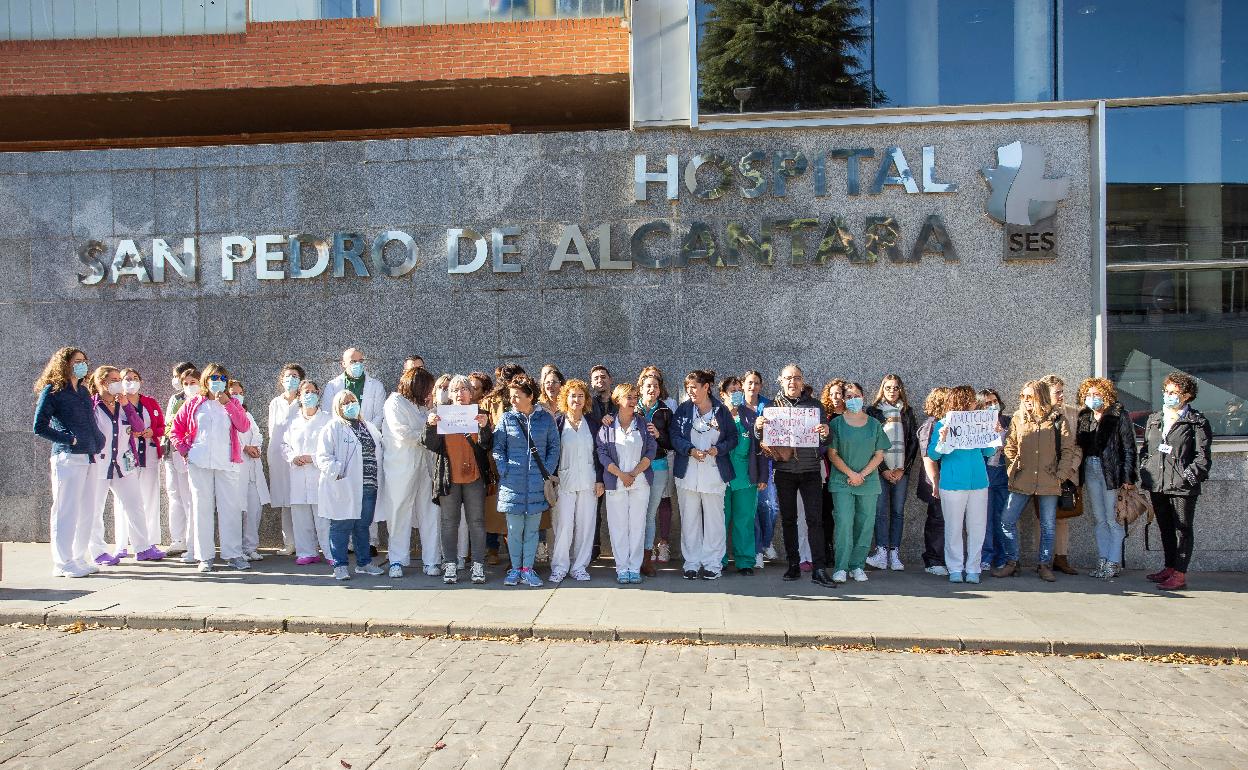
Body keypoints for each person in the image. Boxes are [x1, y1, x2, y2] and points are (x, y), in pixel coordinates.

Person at [755, 365, 834, 587]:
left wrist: (826, 433)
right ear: (780, 380)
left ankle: (819, 569)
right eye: (788, 378)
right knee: (788, 520)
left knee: (815, 520)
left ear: (802, 381)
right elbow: (761, 439)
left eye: (797, 378)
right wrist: (758, 427)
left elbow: (826, 440)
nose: (793, 382)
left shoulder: (815, 406)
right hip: (784, 472)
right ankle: (793, 565)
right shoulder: (771, 407)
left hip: (810, 471)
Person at [171, 363, 253, 573]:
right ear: (205, 381)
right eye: (214, 378)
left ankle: (233, 554)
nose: (218, 382)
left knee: (230, 508)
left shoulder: (232, 402)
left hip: (227, 462)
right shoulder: (194, 403)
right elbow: (175, 429)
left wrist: (228, 403)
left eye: (222, 379)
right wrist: (185, 450)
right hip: (200, 462)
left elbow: (244, 426)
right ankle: (204, 556)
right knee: (201, 508)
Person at [995, 380, 1078, 582]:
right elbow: (1010, 445)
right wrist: (1012, 467)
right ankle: (1012, 562)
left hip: (1049, 479)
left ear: (1040, 396)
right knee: (1007, 520)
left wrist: (1061, 474)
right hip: (1022, 478)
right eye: (1022, 396)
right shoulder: (1018, 417)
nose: (1025, 400)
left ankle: (1044, 565)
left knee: (1048, 525)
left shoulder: (1058, 419)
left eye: (1029, 396)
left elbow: (1068, 449)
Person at [34, 347, 105, 577]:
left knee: (87, 510)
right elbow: (39, 427)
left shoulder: (83, 391)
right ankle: (62, 562)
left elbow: (90, 422)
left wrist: (99, 440)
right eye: (77, 361)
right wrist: (70, 439)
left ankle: (77, 558)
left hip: (89, 455)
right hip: (67, 457)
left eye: (84, 361)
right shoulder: (53, 391)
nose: (81, 365)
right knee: (66, 511)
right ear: (64, 364)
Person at [1139, 372, 1213, 591]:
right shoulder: (1155, 418)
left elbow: (1203, 457)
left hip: (1181, 486)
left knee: (1183, 529)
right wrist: (1145, 468)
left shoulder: (1196, 422)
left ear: (1187, 395)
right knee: (1165, 527)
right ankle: (1170, 566)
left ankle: (1180, 574)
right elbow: (1147, 449)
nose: (1168, 396)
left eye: (1174, 393)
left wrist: (1188, 477)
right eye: (1166, 391)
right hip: (1157, 482)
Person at [426, 375, 494, 585]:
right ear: (450, 394)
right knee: (449, 523)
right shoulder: (439, 414)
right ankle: (450, 564)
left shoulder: (480, 414)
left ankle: (478, 565)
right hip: (449, 477)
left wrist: (484, 428)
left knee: (477, 522)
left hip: (474, 477)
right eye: (455, 390)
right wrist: (430, 426)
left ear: (471, 393)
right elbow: (431, 445)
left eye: (464, 389)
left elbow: (487, 446)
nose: (460, 393)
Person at [671, 369, 738, 581]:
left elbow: (733, 438)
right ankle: (691, 563)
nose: (690, 391)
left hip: (714, 473)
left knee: (714, 520)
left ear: (706, 387)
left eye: (694, 387)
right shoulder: (683, 409)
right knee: (689, 519)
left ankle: (712, 564)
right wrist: (689, 449)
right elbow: (674, 435)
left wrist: (719, 449)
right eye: (688, 388)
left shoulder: (721, 411)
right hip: (687, 473)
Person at [493, 374, 559, 587]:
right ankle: (514, 569)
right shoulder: (506, 419)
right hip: (512, 483)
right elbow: (498, 448)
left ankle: (528, 569)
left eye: (517, 395)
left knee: (532, 529)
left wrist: (545, 471)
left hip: (537, 483)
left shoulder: (546, 419)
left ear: (530, 396)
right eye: (511, 396)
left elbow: (554, 447)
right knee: (514, 530)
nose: (512, 400)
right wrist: (504, 470)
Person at [927, 385, 996, 584]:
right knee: (953, 528)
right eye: (972, 400)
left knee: (977, 527)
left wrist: (993, 435)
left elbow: (989, 453)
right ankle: (955, 567)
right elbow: (933, 454)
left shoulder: (979, 423)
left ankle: (973, 568)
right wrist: (943, 439)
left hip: (978, 482)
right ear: (962, 401)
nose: (975, 403)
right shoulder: (942, 424)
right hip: (952, 483)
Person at [315, 391, 386, 580]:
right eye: (345, 403)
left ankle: (364, 563)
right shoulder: (333, 427)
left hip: (369, 485)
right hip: (345, 485)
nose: (350, 405)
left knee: (363, 526)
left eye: (353, 401)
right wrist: (338, 472)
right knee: (341, 525)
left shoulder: (369, 426)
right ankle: (340, 564)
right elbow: (322, 457)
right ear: (338, 407)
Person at [826, 382, 891, 584]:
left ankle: (857, 566)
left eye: (857, 395)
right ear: (844, 399)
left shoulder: (874, 424)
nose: (853, 399)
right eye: (849, 396)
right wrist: (851, 474)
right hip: (842, 481)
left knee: (864, 525)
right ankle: (841, 567)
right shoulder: (836, 424)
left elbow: (879, 454)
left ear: (863, 397)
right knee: (844, 523)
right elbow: (832, 454)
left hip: (868, 481)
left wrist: (862, 474)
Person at [1075, 377, 1138, 580]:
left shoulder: (1119, 416)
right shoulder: (1085, 417)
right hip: (1091, 468)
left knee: (1113, 519)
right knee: (1099, 519)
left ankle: (1113, 562)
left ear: (1107, 396)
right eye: (1089, 395)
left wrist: (1128, 477)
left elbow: (1129, 448)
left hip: (1111, 472)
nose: (1092, 398)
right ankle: (1102, 560)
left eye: (1097, 395)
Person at [379, 366, 439, 578]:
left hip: (425, 466)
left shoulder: (422, 407)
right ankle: (397, 560)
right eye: (427, 388)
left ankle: (431, 561)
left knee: (430, 511)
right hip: (401, 467)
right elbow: (402, 432)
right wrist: (427, 429)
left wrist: (431, 416)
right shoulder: (394, 402)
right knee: (399, 512)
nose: (429, 393)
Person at [597, 383, 657, 584]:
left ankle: (634, 567)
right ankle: (622, 568)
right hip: (616, 482)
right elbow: (603, 454)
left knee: (637, 526)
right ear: (618, 400)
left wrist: (634, 473)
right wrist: (622, 475)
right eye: (628, 397)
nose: (632, 401)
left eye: (634, 397)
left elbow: (651, 450)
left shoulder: (643, 423)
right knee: (618, 527)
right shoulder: (607, 425)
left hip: (640, 482)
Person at [550, 379, 604, 583]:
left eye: (581, 395)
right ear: (565, 398)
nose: (577, 399)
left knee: (586, 525)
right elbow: (552, 452)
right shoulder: (558, 422)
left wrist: (600, 479)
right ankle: (560, 567)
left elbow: (600, 452)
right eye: (573, 395)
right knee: (563, 525)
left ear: (586, 399)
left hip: (589, 481)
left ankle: (580, 566)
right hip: (564, 481)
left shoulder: (592, 423)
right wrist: (553, 478)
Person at [865, 375, 918, 572]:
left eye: (896, 388)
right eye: (888, 387)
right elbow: (870, 443)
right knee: (880, 511)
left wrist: (902, 468)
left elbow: (913, 442)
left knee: (897, 512)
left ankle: (894, 552)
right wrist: (883, 469)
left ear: (901, 390)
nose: (892, 391)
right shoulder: (873, 412)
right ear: (882, 389)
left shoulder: (907, 411)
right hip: (880, 470)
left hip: (901, 470)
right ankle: (881, 551)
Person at [114, 368, 165, 558]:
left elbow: (162, 426)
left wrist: (152, 432)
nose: (132, 382)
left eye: (135, 378)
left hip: (149, 454)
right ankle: (122, 544)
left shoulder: (150, 402)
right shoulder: (116, 402)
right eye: (127, 379)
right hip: (126, 455)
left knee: (149, 498)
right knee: (125, 500)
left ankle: (149, 542)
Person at [283, 381, 333, 565]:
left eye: (313, 391)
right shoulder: (292, 421)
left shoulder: (328, 420)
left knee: (324, 518)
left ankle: (330, 553)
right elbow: (284, 445)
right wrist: (293, 457)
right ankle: (307, 551)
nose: (310, 395)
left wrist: (313, 458)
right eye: (306, 392)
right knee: (300, 517)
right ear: (299, 395)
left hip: (319, 474)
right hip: (298, 474)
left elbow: (333, 447)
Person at [1041, 375, 1083, 575]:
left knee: (1063, 516)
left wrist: (1069, 470)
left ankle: (1061, 557)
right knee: (1043, 516)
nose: (1061, 395)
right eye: (1057, 392)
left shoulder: (1074, 413)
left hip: (1067, 474)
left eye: (1062, 391)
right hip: (1042, 475)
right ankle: (1044, 559)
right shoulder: (1035, 414)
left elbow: (1078, 446)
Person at [228, 380, 270, 562]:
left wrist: (256, 446)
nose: (237, 396)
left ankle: (250, 547)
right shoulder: (225, 414)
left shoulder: (248, 414)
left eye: (239, 392)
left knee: (254, 509)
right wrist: (245, 447)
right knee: (238, 509)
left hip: (253, 467)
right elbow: (230, 437)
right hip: (237, 468)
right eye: (233, 393)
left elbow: (258, 433)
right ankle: (236, 548)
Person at [267, 363, 306, 556]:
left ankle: (305, 542)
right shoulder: (275, 402)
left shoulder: (304, 401)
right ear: (282, 379)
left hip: (298, 456)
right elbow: (272, 430)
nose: (291, 379)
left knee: (301, 500)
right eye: (288, 376)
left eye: (295, 376)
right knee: (285, 501)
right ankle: (289, 542)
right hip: (278, 456)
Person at [638, 371, 674, 573]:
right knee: (636, 513)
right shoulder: (633, 409)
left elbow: (672, 443)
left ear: (660, 390)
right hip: (636, 468)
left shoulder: (666, 411)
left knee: (650, 514)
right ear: (641, 388)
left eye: (656, 386)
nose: (652, 390)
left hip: (659, 466)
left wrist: (660, 435)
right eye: (648, 386)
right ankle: (634, 554)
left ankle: (646, 557)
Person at [743, 369, 778, 568]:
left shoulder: (769, 406)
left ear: (761, 386)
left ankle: (766, 542)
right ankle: (756, 550)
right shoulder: (737, 406)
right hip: (744, 463)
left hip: (765, 461)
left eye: (756, 383)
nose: (752, 386)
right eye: (749, 382)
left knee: (771, 507)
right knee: (751, 509)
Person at [163, 362, 199, 555]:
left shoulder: (202, 400)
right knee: (174, 495)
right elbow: (169, 423)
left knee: (189, 498)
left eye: (192, 381)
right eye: (183, 381)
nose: (186, 384)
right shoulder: (175, 399)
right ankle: (178, 539)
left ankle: (192, 540)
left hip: (190, 454)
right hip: (172, 452)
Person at [917, 387, 950, 577]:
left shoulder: (945, 423)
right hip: (935, 482)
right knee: (937, 519)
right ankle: (933, 560)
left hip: (948, 480)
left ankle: (941, 558)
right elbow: (927, 456)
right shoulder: (931, 425)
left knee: (944, 520)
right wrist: (935, 482)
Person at [976, 389, 1010, 572]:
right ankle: (986, 556)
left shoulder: (1008, 422)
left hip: (1004, 475)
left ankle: (1002, 556)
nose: (992, 405)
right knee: (985, 518)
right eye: (987, 403)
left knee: (1002, 518)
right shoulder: (977, 424)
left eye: (994, 401)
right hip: (986, 474)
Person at [322, 347, 386, 426]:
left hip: (368, 433)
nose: (358, 364)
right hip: (341, 433)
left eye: (360, 361)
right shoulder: (332, 386)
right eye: (353, 361)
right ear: (343, 364)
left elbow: (379, 416)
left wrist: (366, 433)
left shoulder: (376, 386)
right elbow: (327, 414)